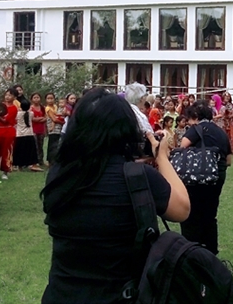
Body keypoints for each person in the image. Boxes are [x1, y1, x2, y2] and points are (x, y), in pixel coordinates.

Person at [40, 89, 189, 302]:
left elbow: (98, 173)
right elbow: (182, 209)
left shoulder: (60, 175)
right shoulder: (138, 177)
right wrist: (162, 157)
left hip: (62, 293)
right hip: (118, 295)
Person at [180, 100, 233, 255]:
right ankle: (210, 250)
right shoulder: (220, 132)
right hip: (217, 176)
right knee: (210, 214)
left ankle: (191, 249)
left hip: (197, 177)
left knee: (191, 214)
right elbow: (229, 160)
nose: (189, 122)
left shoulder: (196, 129)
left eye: (190, 118)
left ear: (195, 116)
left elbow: (183, 146)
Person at [0, 88, 18, 180]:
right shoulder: (0, 106)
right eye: (6, 95)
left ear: (14, 97)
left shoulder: (13, 108)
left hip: (8, 131)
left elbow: (5, 121)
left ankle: (5, 171)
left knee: (7, 152)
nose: (7, 97)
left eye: (10, 95)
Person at [14, 100, 41, 173]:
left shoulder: (18, 114)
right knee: (31, 151)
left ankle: (19, 166)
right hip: (29, 134)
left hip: (19, 135)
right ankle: (33, 164)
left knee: (20, 151)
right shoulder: (31, 113)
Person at [45, 93, 64, 166]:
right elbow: (54, 119)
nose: (50, 100)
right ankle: (50, 161)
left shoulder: (56, 107)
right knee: (52, 144)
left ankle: (55, 159)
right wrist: (62, 122)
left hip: (58, 128)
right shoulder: (48, 108)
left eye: (51, 98)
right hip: (52, 129)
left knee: (56, 144)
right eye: (48, 98)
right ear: (46, 100)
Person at [30, 93, 48, 166]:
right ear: (32, 99)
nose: (36, 99)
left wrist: (39, 119)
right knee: (35, 146)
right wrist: (40, 119)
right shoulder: (30, 108)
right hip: (33, 129)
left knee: (41, 145)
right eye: (34, 97)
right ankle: (35, 161)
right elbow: (31, 119)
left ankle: (41, 160)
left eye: (38, 97)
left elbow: (45, 117)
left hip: (41, 129)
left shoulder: (42, 108)